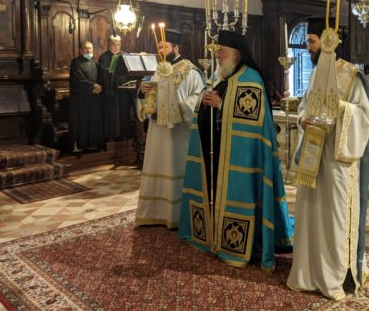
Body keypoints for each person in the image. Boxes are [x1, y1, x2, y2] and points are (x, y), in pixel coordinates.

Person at [178, 30, 293, 270]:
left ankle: (234, 245)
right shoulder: (218, 76)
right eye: (217, 51)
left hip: (240, 157)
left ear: (236, 54)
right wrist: (203, 101)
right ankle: (211, 236)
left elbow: (252, 124)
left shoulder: (251, 78)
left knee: (237, 196)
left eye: (222, 51)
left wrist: (221, 105)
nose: (217, 55)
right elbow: (202, 105)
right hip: (213, 152)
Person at [287, 18, 369, 300]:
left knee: (334, 215)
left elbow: (365, 116)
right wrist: (302, 118)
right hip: (313, 155)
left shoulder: (351, 75)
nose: (308, 47)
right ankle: (310, 270)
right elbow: (305, 105)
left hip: (338, 159)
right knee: (311, 212)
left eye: (311, 41)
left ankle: (337, 273)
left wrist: (339, 108)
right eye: (308, 42)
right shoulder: (315, 74)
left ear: (328, 41)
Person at [135, 30, 204, 228]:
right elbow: (150, 99)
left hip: (178, 132)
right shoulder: (159, 70)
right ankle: (155, 212)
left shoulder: (190, 70)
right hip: (158, 129)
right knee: (156, 165)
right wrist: (142, 92)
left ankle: (176, 215)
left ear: (176, 47)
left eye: (165, 47)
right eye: (159, 47)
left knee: (175, 167)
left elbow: (198, 97)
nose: (161, 51)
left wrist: (180, 110)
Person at [68, 41, 104, 152]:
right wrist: (93, 86)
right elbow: (78, 79)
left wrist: (100, 87)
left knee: (93, 122)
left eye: (90, 48)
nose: (88, 50)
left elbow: (100, 78)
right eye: (86, 48)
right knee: (81, 123)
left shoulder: (94, 63)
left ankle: (92, 145)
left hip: (93, 98)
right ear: (80, 50)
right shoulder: (76, 62)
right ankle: (80, 146)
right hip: (80, 99)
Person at [98, 35, 133, 141]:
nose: (116, 47)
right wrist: (111, 70)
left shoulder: (125, 55)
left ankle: (124, 134)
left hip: (123, 88)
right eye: (114, 44)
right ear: (109, 44)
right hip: (111, 89)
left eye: (119, 44)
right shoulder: (103, 57)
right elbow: (102, 73)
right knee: (112, 113)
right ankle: (111, 136)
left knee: (124, 111)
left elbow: (130, 71)